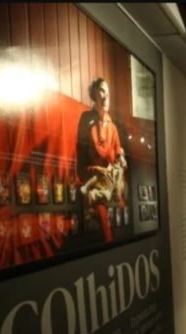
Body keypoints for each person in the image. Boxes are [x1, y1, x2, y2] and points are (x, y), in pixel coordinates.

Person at [77, 77, 127, 242]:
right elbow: (81, 155)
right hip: (96, 181)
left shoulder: (112, 127)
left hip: (111, 183)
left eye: (108, 93)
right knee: (104, 233)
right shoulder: (86, 120)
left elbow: (118, 150)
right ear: (94, 94)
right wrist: (91, 174)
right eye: (102, 91)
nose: (106, 97)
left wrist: (121, 157)